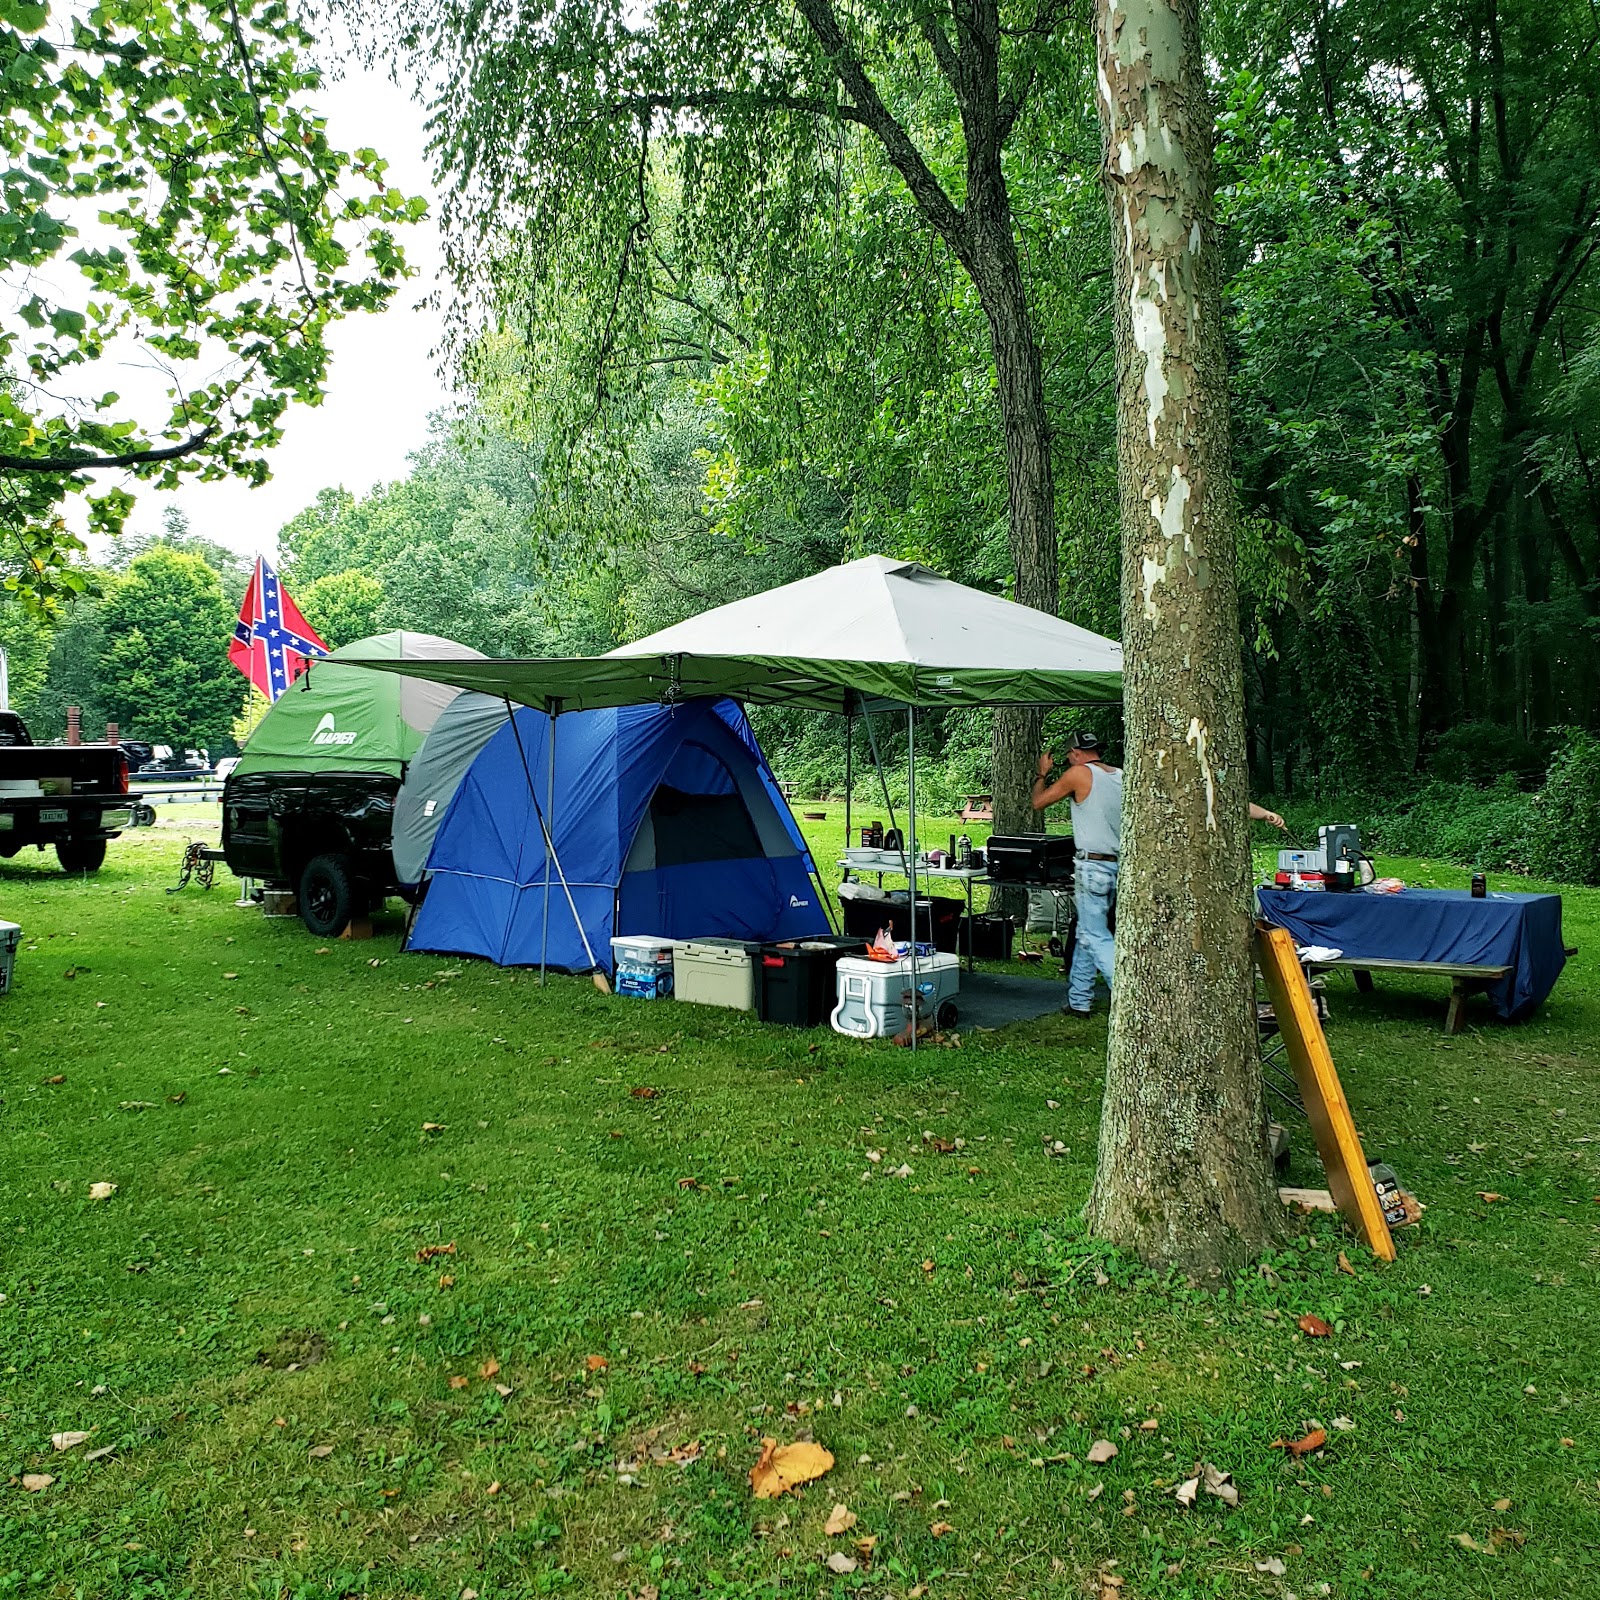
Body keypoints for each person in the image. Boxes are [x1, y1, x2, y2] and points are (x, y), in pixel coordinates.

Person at [1032, 732, 1121, 1018]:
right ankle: (1079, 1000)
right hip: (1119, 863)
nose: (1069, 759)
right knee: (1085, 931)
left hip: (1092, 865)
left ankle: (1128, 997)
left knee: (1096, 935)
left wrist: (1041, 774)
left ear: (1076, 752)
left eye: (1069, 754)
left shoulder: (1078, 774)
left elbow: (1039, 803)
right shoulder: (1120, 775)